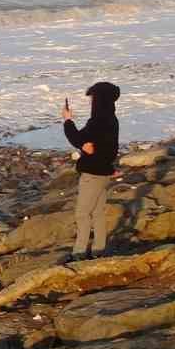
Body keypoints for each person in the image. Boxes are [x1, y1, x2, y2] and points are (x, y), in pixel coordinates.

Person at [62, 81, 121, 259]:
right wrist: (86, 146)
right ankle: (99, 250)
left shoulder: (98, 121)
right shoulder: (111, 119)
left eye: (93, 99)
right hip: (104, 173)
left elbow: (76, 138)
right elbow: (108, 147)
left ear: (99, 99)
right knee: (97, 213)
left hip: (93, 174)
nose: (91, 102)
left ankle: (79, 253)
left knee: (82, 213)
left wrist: (67, 120)